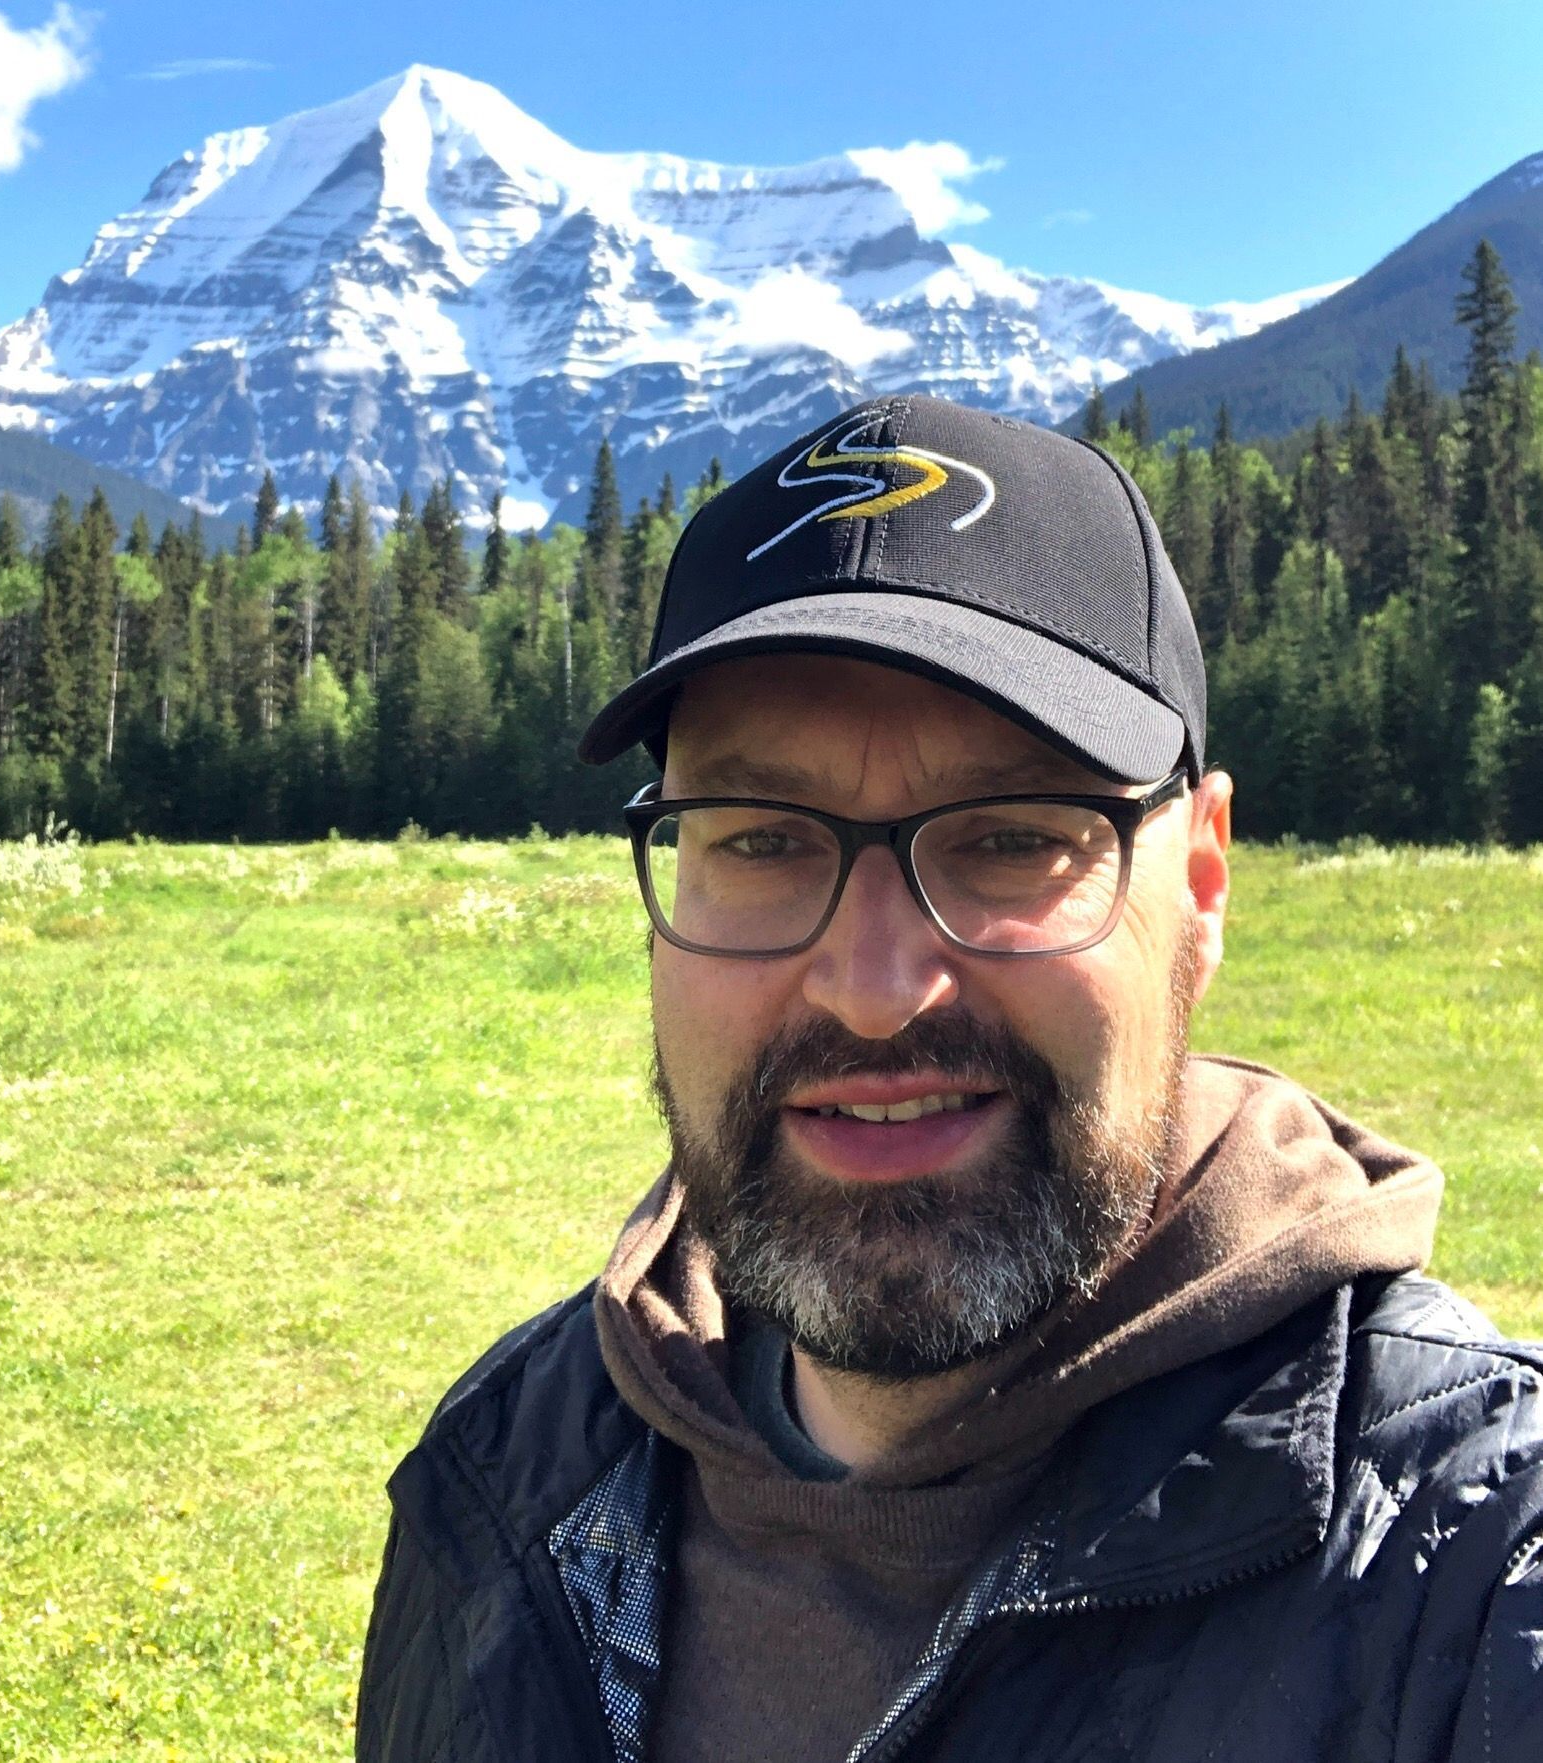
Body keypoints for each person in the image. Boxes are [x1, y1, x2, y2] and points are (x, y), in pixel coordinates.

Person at [355, 396, 1543, 1763]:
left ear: (1203, 879)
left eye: (1012, 836)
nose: (872, 987)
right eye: (758, 841)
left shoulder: (1468, 1564)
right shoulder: (507, 1477)